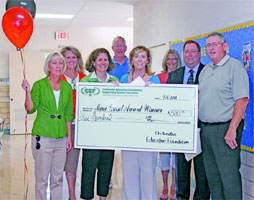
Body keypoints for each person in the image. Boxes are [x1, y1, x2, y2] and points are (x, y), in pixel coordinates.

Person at [199, 32, 249, 199]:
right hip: (206, 130)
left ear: (224, 46)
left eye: (214, 44)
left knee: (229, 178)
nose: (211, 48)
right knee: (213, 178)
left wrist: (232, 129)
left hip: (226, 130)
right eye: (208, 45)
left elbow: (242, 100)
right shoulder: (205, 71)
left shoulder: (235, 67)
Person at [21, 52, 73, 200]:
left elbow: (68, 113)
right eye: (55, 63)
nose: (58, 66)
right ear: (48, 66)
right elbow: (30, 108)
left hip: (61, 137)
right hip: (43, 137)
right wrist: (27, 92)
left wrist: (69, 137)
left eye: (61, 63)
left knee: (57, 178)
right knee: (42, 179)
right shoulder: (39, 85)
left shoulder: (67, 87)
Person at [166, 40, 210, 200]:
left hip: (203, 131)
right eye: (186, 52)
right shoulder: (174, 75)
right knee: (182, 174)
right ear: (183, 54)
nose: (190, 55)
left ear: (199, 54)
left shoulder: (208, 72)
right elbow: (167, 102)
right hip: (181, 132)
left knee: (202, 174)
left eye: (193, 51)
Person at [120, 45, 160, 200]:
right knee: (129, 171)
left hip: (147, 133)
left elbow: (159, 104)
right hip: (128, 133)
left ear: (148, 60)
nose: (140, 60)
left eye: (143, 56)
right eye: (136, 56)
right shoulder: (124, 79)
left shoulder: (154, 79)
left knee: (148, 171)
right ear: (131, 59)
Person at [80, 48, 119, 200]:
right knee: (89, 167)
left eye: (105, 59)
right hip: (91, 133)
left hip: (108, 133)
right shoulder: (85, 81)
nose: (103, 63)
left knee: (106, 166)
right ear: (93, 62)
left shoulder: (114, 81)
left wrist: (119, 92)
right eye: (100, 59)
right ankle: (87, 196)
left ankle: (103, 196)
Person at [60, 46, 86, 200]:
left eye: (73, 57)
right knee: (69, 162)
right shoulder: (58, 77)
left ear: (78, 59)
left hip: (83, 125)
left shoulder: (85, 77)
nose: (71, 60)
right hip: (66, 125)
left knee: (79, 162)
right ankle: (71, 195)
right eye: (67, 57)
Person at [158, 49, 181, 200]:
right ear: (165, 61)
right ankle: (165, 186)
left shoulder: (182, 76)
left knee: (176, 157)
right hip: (162, 121)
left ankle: (174, 186)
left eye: (174, 59)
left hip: (178, 121)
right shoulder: (158, 77)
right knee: (165, 156)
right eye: (169, 59)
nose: (171, 61)